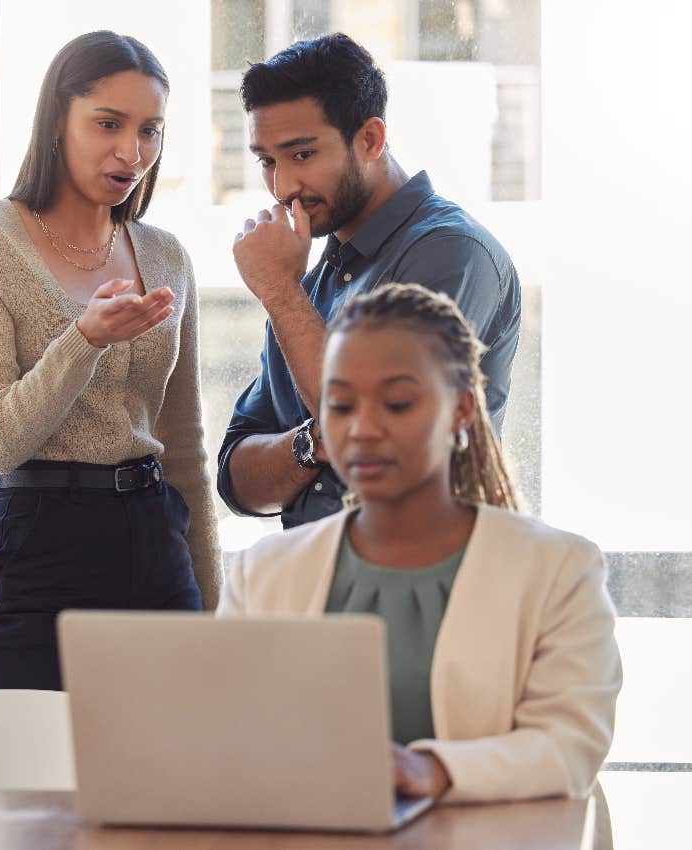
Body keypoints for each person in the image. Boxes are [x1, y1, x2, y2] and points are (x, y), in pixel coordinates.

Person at [218, 283, 621, 803]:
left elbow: (571, 744)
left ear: (461, 411)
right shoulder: (264, 572)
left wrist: (436, 769)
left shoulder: (558, 569)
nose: (361, 429)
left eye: (398, 403)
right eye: (339, 406)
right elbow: (228, 738)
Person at [0, 31, 221, 691]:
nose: (133, 151)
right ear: (58, 119)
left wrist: (212, 606)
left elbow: (184, 448)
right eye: (108, 124)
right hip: (40, 548)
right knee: (27, 782)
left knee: (169, 777)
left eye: (150, 130)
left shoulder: (167, 255)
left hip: (157, 542)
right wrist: (82, 342)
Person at [217, 33, 521, 529]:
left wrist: (277, 292)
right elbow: (237, 480)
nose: (282, 186)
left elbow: (380, 431)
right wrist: (315, 442)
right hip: (309, 585)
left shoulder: (452, 252)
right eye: (268, 161)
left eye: (301, 155)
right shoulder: (308, 280)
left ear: (371, 139)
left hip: (422, 584)